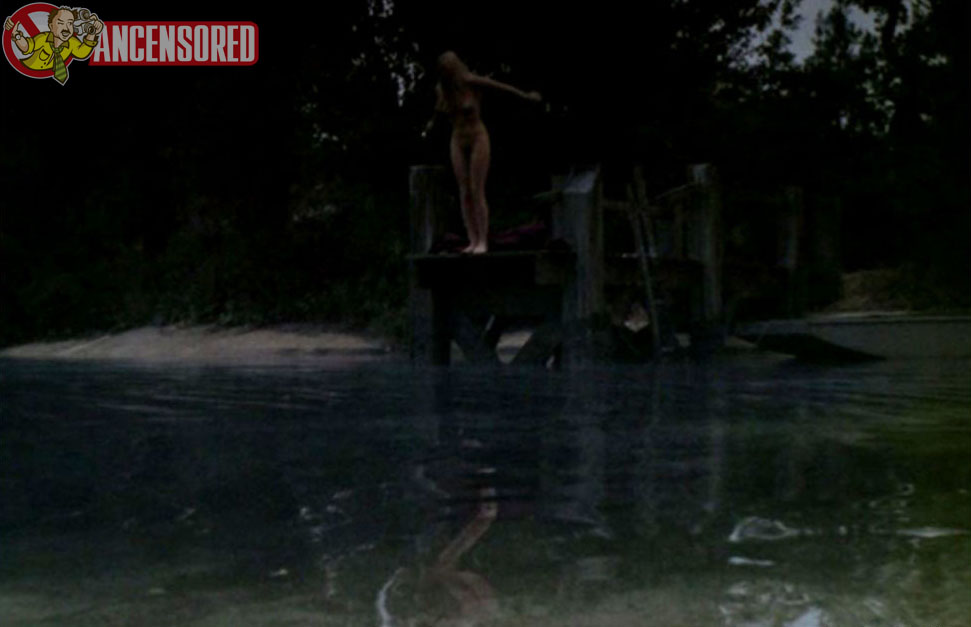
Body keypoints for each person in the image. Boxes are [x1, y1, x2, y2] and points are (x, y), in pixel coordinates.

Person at [425, 51, 541, 254]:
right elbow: (438, 109)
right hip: (457, 138)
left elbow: (501, 87)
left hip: (477, 135)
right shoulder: (442, 90)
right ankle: (472, 239)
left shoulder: (470, 81)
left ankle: (482, 240)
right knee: (464, 191)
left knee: (476, 188)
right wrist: (431, 124)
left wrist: (526, 96)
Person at [4, 6, 103, 85]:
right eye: (60, 23)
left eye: (70, 23)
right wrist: (16, 35)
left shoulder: (72, 42)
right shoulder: (43, 38)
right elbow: (26, 47)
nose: (66, 28)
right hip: (26, 73)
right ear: (51, 26)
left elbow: (82, 53)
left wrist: (92, 32)